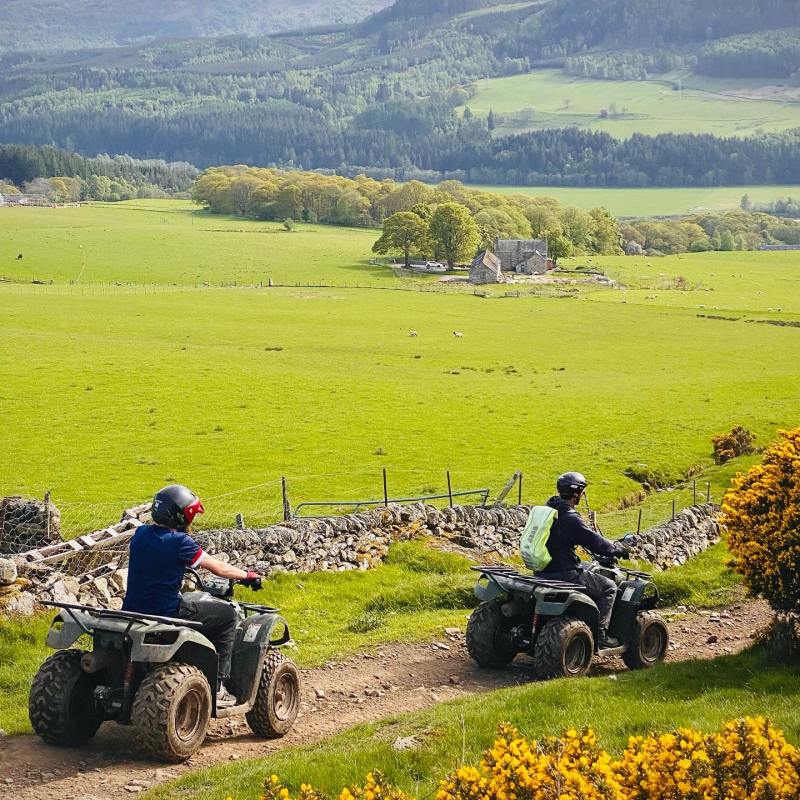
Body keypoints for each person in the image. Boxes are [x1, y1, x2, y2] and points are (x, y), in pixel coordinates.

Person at [123, 484, 262, 708]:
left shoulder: (140, 535)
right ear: (180, 516)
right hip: (166, 612)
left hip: (132, 610)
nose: (192, 522)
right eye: (191, 516)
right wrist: (247, 575)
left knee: (191, 603)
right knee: (226, 615)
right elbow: (218, 568)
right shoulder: (180, 543)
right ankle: (219, 686)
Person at [536, 472, 629, 648]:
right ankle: (600, 634)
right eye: (582, 491)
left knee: (587, 567)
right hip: (564, 573)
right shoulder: (569, 517)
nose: (582, 495)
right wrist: (614, 550)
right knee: (609, 587)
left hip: (543, 570)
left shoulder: (549, 510)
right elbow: (592, 539)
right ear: (576, 492)